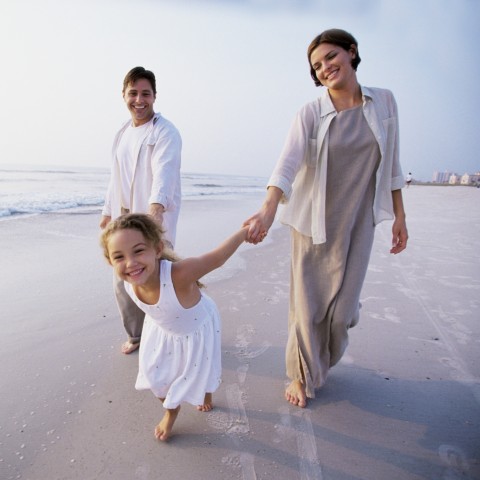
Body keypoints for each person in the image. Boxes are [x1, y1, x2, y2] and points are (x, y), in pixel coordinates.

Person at [244, 28, 408, 408]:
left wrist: (400, 216)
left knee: (343, 312)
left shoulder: (384, 102)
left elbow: (394, 163)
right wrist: (269, 209)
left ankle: (321, 358)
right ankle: (300, 375)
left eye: (331, 57)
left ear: (351, 53)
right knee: (308, 306)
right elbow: (287, 164)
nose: (325, 68)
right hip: (314, 225)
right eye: (317, 66)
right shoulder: (311, 112)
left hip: (358, 222)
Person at [100, 213, 248, 440]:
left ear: (157, 249)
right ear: (110, 261)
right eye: (119, 257)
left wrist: (245, 231)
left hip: (196, 327)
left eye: (139, 251)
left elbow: (218, 258)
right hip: (161, 328)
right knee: (154, 377)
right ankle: (172, 409)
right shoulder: (128, 281)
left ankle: (205, 393)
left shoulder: (178, 275)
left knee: (202, 371)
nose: (130, 263)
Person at [100, 66, 182, 355]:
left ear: (154, 96)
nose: (139, 99)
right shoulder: (122, 133)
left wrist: (155, 212)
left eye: (145, 93)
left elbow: (165, 172)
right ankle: (136, 336)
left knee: (158, 282)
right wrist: (107, 212)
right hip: (123, 222)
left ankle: (168, 333)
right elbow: (116, 177)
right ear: (123, 95)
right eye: (133, 93)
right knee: (122, 281)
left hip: (151, 221)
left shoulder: (165, 131)